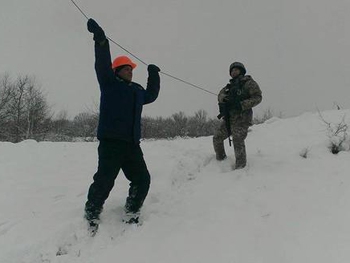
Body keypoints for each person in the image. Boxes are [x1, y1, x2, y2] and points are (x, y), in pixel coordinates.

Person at [84, 18, 160, 233]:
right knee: (105, 180)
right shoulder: (109, 83)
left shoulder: (136, 91)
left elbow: (151, 96)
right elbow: (101, 62)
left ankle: (132, 210)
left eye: (131, 69)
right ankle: (92, 210)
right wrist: (100, 39)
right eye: (126, 69)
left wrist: (153, 75)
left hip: (131, 144)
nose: (130, 71)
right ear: (116, 70)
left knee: (142, 179)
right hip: (111, 142)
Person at [213, 62, 262, 169]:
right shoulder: (228, 87)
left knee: (237, 140)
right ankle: (221, 162)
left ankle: (240, 168)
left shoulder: (249, 83)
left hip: (242, 119)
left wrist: (241, 105)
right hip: (229, 119)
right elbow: (220, 95)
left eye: (236, 69)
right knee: (217, 137)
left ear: (241, 71)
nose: (234, 71)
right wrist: (224, 99)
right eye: (232, 70)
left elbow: (258, 97)